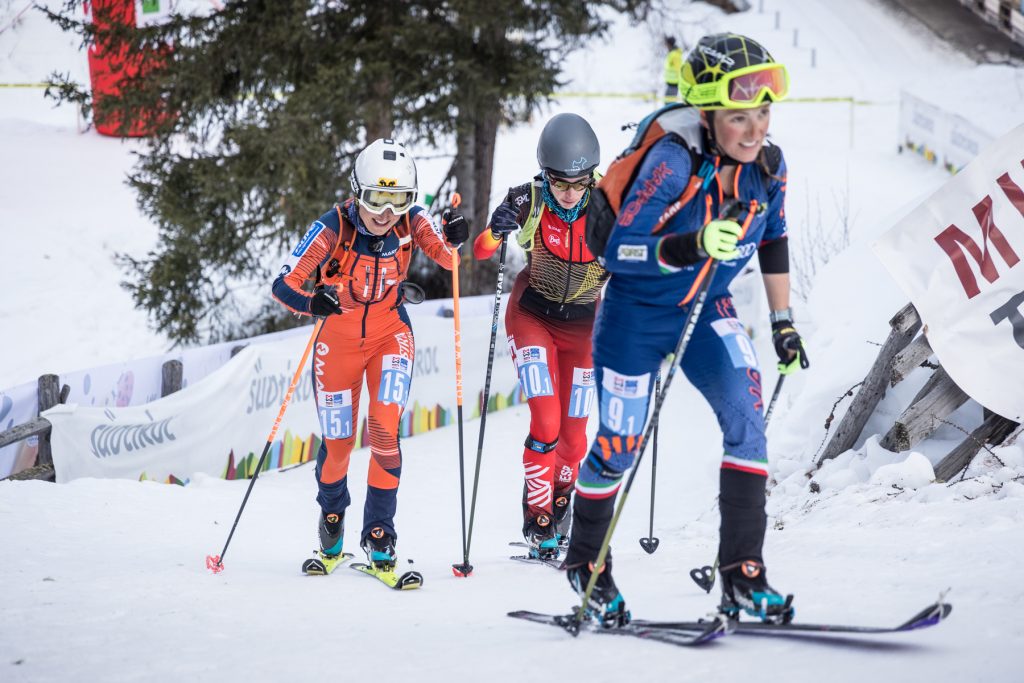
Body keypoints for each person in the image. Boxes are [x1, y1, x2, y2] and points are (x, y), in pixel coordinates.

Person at [564, 33, 809, 626]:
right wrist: (693, 243)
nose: (754, 131)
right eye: (738, 118)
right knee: (619, 445)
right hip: (635, 316)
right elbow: (621, 252)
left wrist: (783, 323)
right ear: (707, 113)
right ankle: (586, 560)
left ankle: (743, 575)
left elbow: (773, 238)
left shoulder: (768, 167)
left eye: (763, 114)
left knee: (748, 420)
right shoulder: (673, 160)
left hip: (707, 309)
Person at [271, 138, 468, 572]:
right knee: (339, 445)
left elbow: (448, 259)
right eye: (377, 198)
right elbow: (284, 282)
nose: (385, 213)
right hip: (336, 344)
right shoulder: (332, 229)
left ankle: (380, 533)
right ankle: (333, 512)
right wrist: (312, 303)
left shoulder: (410, 222)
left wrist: (454, 235)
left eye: (397, 200)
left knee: (383, 430)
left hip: (389, 336)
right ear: (358, 191)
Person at [473, 113, 609, 560]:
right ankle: (539, 518)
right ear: (544, 175)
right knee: (546, 422)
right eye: (560, 183)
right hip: (533, 316)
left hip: (585, 326)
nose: (570, 193)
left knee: (574, 437)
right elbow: (480, 250)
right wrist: (496, 229)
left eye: (579, 183)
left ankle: (562, 502)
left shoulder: (611, 202)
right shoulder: (528, 200)